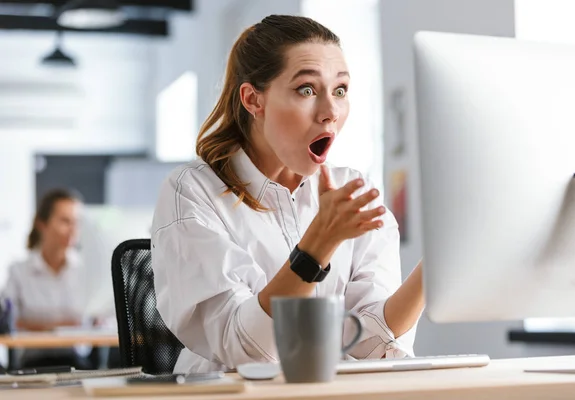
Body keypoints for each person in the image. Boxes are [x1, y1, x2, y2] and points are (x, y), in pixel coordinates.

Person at [151, 14, 425, 374]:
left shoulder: (352, 192)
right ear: (253, 100)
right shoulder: (192, 192)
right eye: (307, 90)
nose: (330, 112)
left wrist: (436, 265)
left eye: (340, 90)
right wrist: (316, 249)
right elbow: (243, 347)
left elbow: (371, 343)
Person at [2, 188, 92, 369]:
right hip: (31, 363)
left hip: (78, 363)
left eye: (77, 223)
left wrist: (37, 325)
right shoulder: (19, 271)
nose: (72, 230)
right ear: (42, 224)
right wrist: (66, 325)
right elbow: (10, 322)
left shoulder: (86, 271)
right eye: (65, 221)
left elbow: (96, 320)